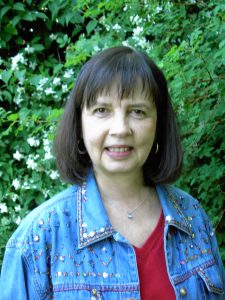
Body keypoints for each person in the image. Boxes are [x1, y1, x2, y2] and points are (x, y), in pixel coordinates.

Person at [0, 46, 224, 300]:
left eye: (137, 111)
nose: (120, 129)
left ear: (158, 124)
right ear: (79, 124)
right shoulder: (38, 239)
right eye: (102, 110)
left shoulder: (192, 217)